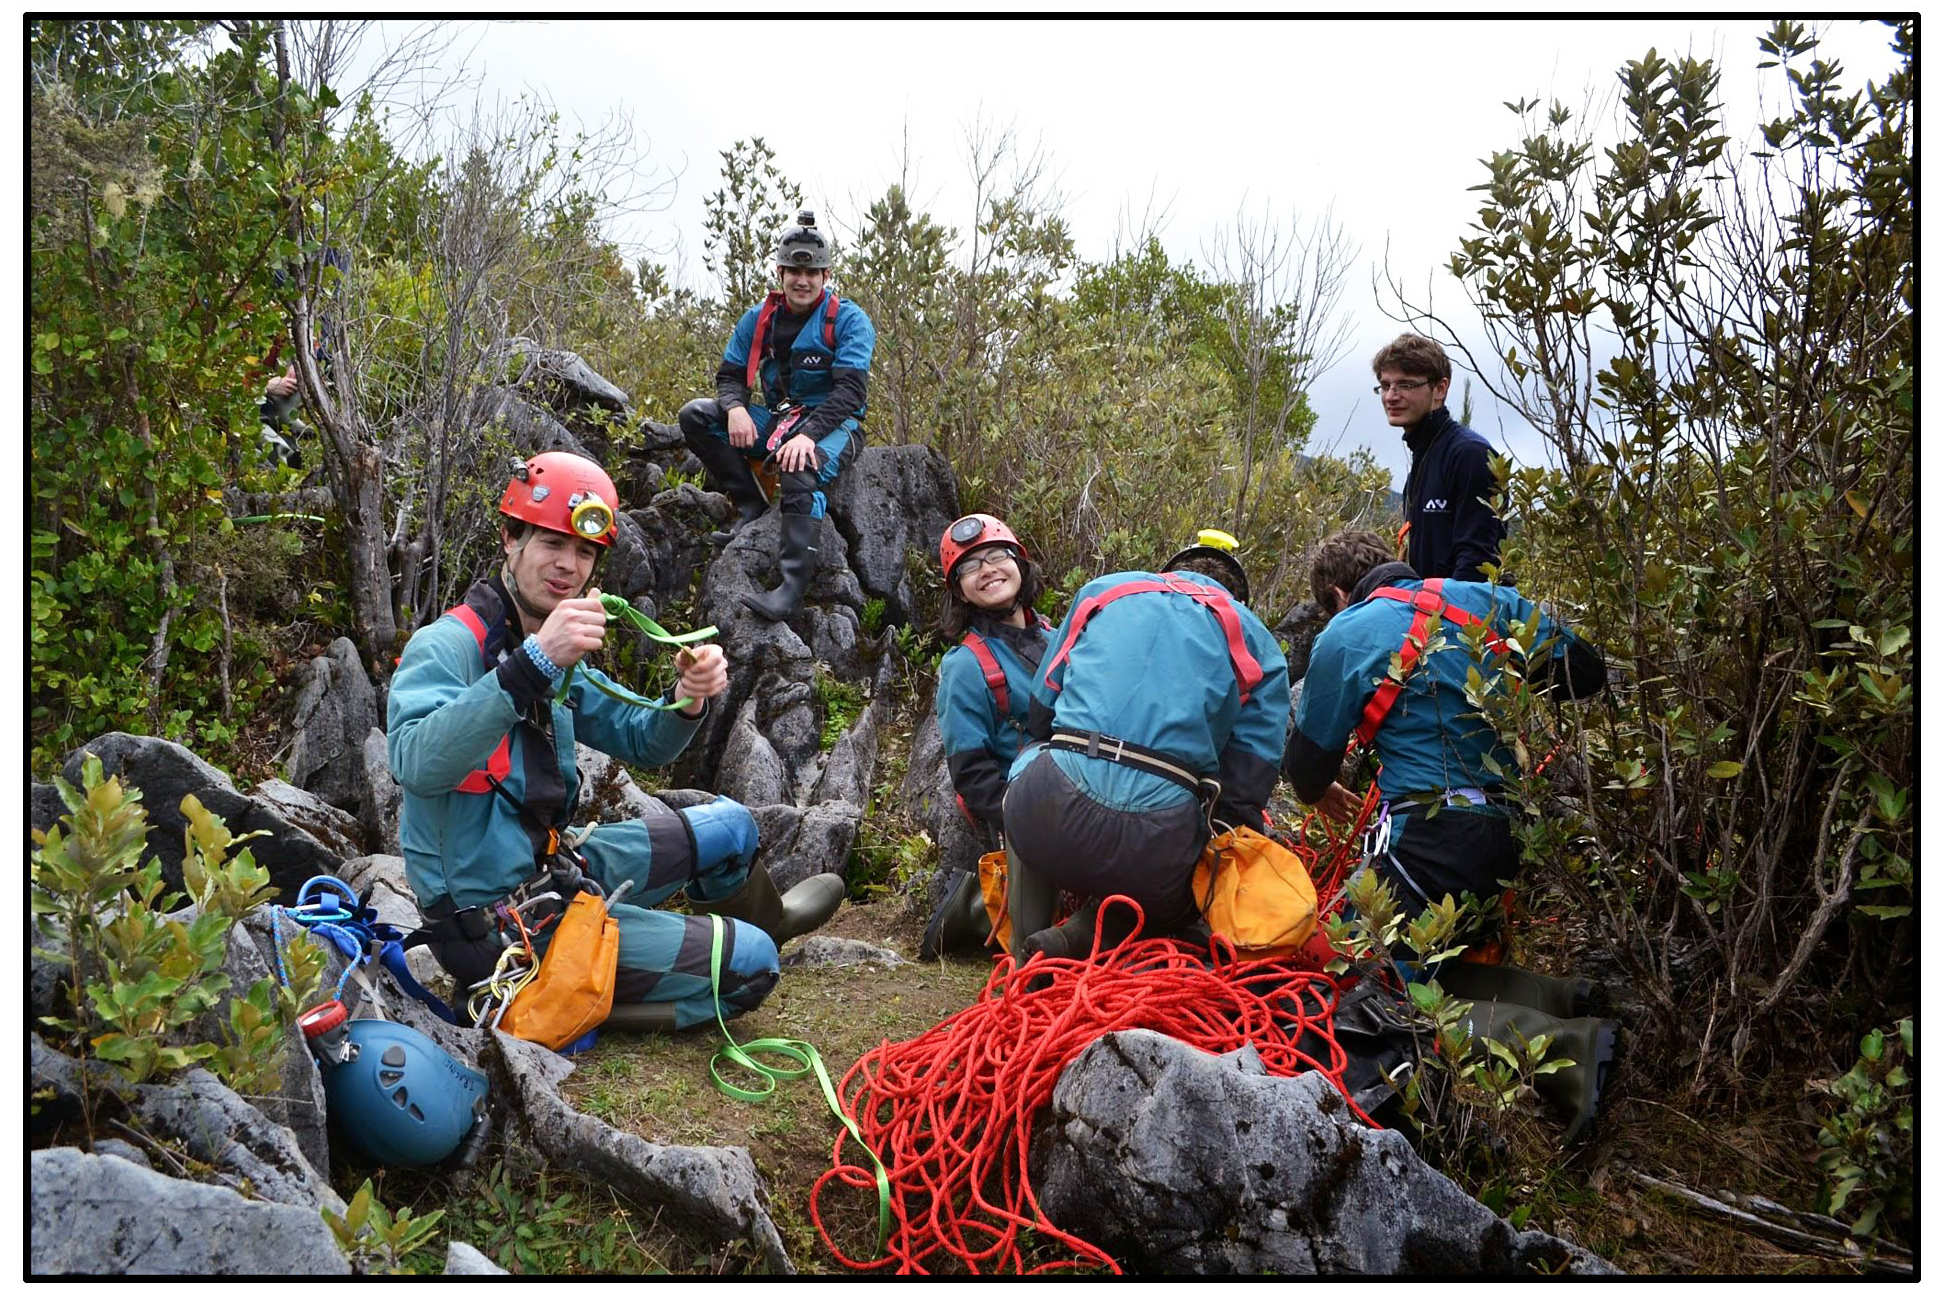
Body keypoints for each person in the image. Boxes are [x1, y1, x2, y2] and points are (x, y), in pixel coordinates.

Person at [388, 451, 846, 1033]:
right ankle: (556, 999)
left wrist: (689, 696)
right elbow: (415, 763)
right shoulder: (448, 646)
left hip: (557, 868)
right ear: (511, 539)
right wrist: (530, 667)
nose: (568, 566)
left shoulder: (550, 639)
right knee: (754, 963)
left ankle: (769, 916)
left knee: (732, 826)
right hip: (501, 927)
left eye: (583, 552)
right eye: (552, 543)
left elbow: (643, 739)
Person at [1284, 528, 1614, 1141]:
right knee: (1427, 965)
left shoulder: (1347, 633)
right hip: (1511, 836)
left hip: (1428, 842)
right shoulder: (1486, 601)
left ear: (1337, 594)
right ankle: (1563, 996)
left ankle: (1570, 1050)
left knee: (1345, 974)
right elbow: (1585, 672)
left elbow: (1306, 772)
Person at [1000, 536, 1290, 960]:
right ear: (1237, 596)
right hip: (1156, 852)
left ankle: (1024, 948)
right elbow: (1247, 787)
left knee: (1028, 762)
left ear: (1167, 571)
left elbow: (1042, 712)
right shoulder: (1254, 638)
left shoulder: (1104, 591)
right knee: (1195, 863)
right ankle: (1093, 932)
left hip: (1046, 818)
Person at [678, 210, 877, 622]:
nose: (802, 281)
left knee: (799, 467)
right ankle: (750, 506)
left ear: (825, 275)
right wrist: (734, 409)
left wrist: (808, 436)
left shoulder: (848, 320)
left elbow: (851, 392)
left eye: (813, 273)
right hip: (779, 420)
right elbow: (730, 376)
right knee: (697, 416)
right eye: (794, 272)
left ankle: (789, 588)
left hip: (836, 424)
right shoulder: (758, 320)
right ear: (780, 271)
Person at [919, 514, 1055, 960]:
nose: (989, 569)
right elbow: (972, 776)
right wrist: (1023, 818)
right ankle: (992, 918)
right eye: (971, 567)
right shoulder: (965, 666)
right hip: (1027, 809)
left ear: (1020, 563)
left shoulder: (1059, 638)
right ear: (959, 591)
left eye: (998, 556)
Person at [1374, 333, 1505, 581]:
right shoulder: (1423, 459)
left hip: (1461, 616)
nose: (1391, 396)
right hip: (1430, 613)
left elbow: (1477, 565)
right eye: (1385, 385)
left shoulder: (1469, 455)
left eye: (1405, 385)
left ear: (1440, 389)